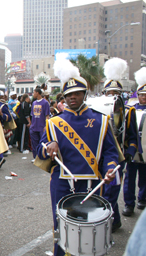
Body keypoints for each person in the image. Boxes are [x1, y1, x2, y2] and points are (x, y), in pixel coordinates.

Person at [37, 55, 118, 256]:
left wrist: (110, 168)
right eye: (68, 95)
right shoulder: (54, 122)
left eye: (77, 93)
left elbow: (110, 151)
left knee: (90, 227)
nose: (72, 97)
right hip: (62, 182)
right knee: (60, 225)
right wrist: (48, 145)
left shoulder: (101, 120)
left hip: (91, 182)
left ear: (84, 94)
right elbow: (39, 150)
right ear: (63, 98)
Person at [99, 58, 136, 232]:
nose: (112, 95)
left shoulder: (128, 112)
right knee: (102, 189)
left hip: (118, 156)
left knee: (112, 190)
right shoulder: (97, 110)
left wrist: (130, 151)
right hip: (100, 155)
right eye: (109, 92)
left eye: (115, 92)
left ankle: (110, 222)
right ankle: (115, 220)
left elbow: (133, 136)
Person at [122, 67, 146, 217]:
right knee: (129, 178)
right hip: (132, 148)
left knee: (144, 176)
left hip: (145, 148)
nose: (144, 97)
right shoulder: (130, 109)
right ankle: (128, 204)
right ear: (138, 95)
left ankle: (142, 198)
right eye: (142, 95)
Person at [29, 88, 50, 161]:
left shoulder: (45, 103)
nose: (33, 94)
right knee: (34, 143)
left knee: (42, 143)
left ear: (37, 93)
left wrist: (46, 125)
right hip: (34, 126)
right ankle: (35, 157)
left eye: (34, 92)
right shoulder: (34, 103)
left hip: (41, 127)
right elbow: (32, 115)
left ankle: (43, 157)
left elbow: (47, 115)